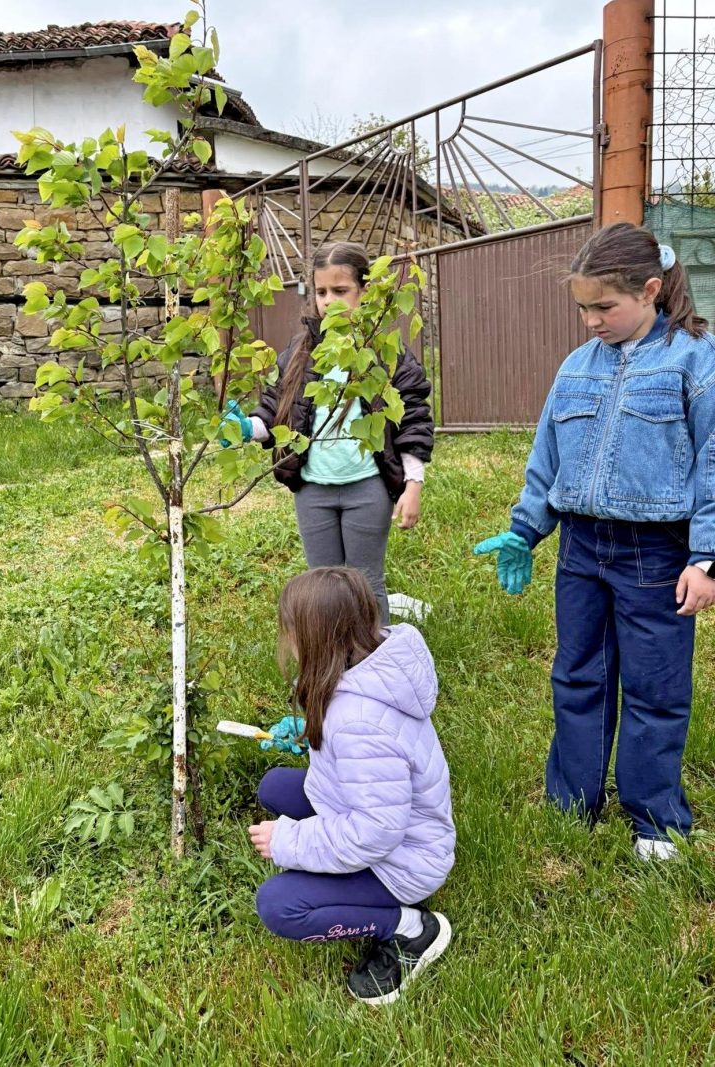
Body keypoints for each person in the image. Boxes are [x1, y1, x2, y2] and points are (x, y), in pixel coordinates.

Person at [474, 222, 715, 861]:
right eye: (583, 307)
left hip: (656, 554)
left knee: (654, 689)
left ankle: (655, 820)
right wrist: (527, 528)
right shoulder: (576, 368)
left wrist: (705, 556)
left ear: (652, 291)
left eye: (604, 306)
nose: (590, 321)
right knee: (576, 674)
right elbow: (548, 458)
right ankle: (573, 800)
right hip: (581, 550)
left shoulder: (695, 361)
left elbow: (713, 462)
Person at [248, 567, 455, 1005]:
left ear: (315, 637)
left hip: (403, 860)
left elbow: (376, 831)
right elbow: (368, 756)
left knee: (280, 904)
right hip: (393, 823)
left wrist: (289, 841)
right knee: (274, 788)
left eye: (290, 630)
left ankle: (409, 930)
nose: (286, 641)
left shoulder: (357, 724)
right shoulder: (371, 667)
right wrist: (312, 733)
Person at [223, 241, 434, 623]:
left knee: (366, 585)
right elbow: (277, 412)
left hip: (367, 488)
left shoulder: (385, 355)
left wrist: (413, 483)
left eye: (341, 291)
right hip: (313, 491)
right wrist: (247, 428)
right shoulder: (300, 353)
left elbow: (413, 418)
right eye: (321, 292)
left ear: (365, 292)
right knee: (322, 587)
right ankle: (331, 669)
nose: (328, 301)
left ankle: (376, 669)